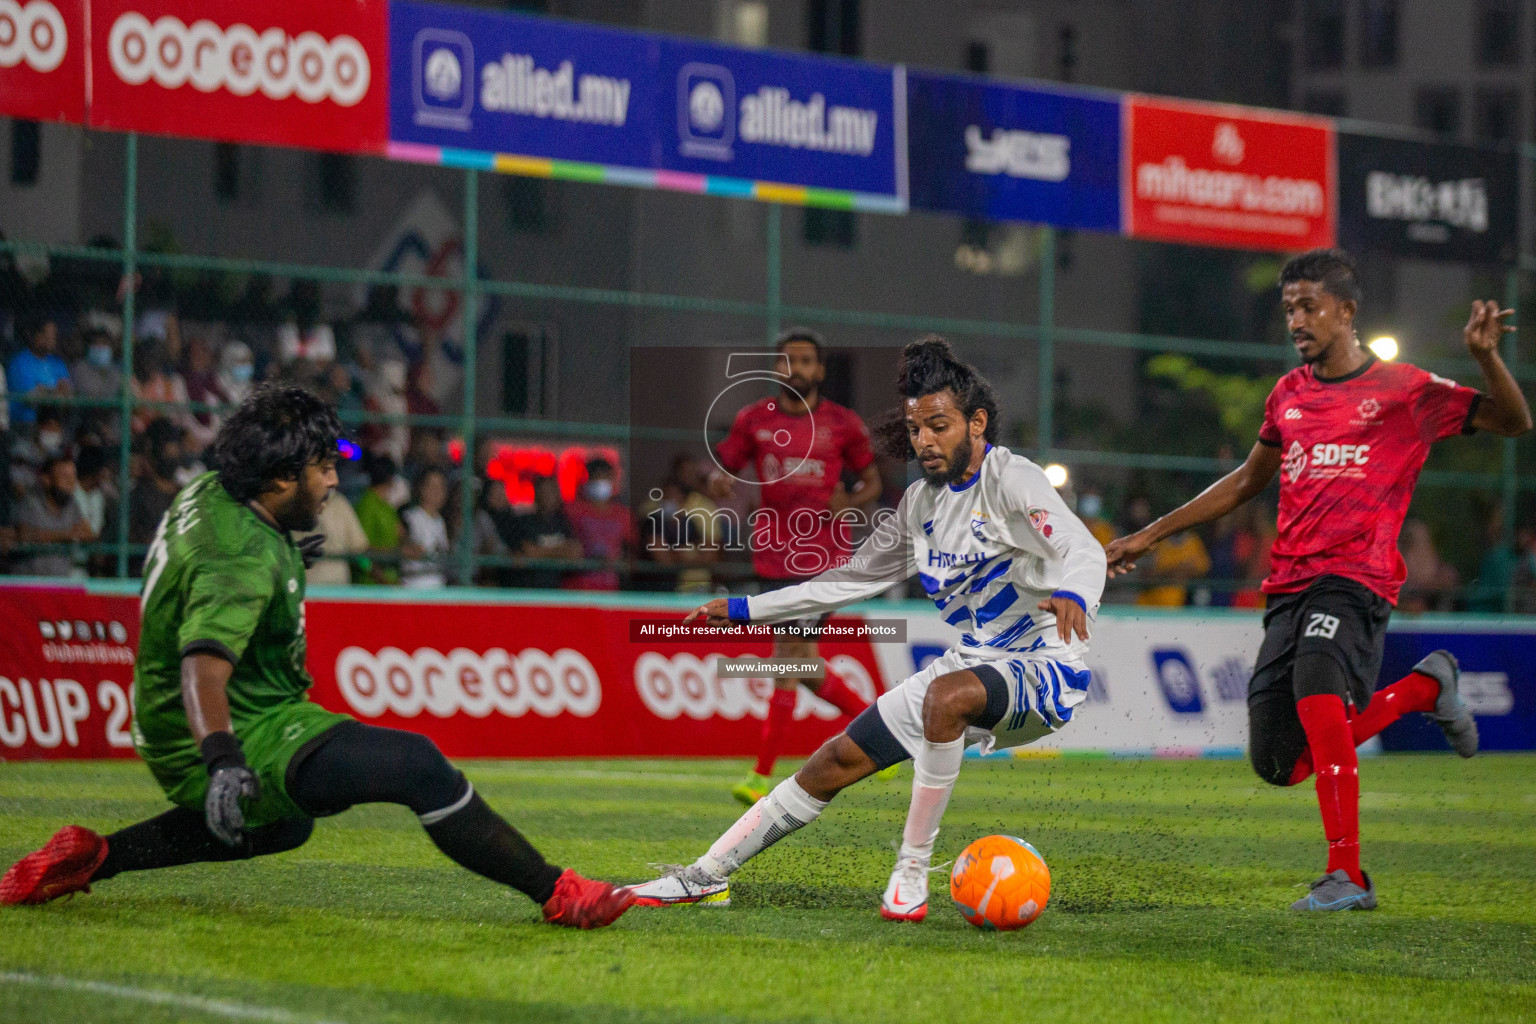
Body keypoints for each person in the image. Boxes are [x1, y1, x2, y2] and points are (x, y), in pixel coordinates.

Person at [0, 384, 633, 928]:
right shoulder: (242, 558)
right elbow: (203, 668)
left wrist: (279, 551)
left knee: (284, 823)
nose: (334, 480)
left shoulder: (216, 493)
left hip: (206, 710)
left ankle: (92, 855)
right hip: (231, 725)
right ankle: (558, 893)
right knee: (417, 765)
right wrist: (222, 760)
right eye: (322, 468)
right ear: (279, 478)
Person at [1105, 249, 1532, 912]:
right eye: (1288, 310)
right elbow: (1248, 482)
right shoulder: (1288, 395)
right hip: (1288, 586)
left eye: (1308, 306)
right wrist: (1153, 532)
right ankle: (1424, 688)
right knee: (1279, 763)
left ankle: (1347, 876)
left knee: (1318, 679)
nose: (1296, 320)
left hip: (1356, 578)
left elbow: (1514, 421)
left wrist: (1485, 358)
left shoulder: (1405, 391)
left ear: (1347, 310)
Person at [628, 336, 1105, 920]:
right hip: (976, 662)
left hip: (1044, 667)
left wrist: (1074, 590)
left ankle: (911, 871)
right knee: (831, 761)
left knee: (943, 697)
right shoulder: (919, 505)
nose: (924, 442)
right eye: (915, 429)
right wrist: (749, 609)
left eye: (939, 427)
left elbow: (1082, 546)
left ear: (977, 423)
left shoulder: (1012, 479)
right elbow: (847, 581)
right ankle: (704, 875)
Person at [707, 328, 884, 806]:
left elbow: (871, 480)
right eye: (787, 361)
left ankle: (761, 775)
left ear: (820, 370)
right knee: (803, 664)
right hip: (772, 556)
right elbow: (723, 466)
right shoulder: (753, 420)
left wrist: (853, 501)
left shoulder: (842, 423)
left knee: (787, 657)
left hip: (823, 559)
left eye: (805, 361)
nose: (796, 369)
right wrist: (718, 482)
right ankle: (882, 731)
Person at [14, 454, 95, 577]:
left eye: (73, 476)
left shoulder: (71, 504)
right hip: (29, 583)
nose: (70, 482)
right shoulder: (31, 502)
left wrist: (51, 536)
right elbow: (23, 535)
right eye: (64, 476)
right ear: (47, 479)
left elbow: (88, 533)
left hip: (59, 583)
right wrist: (66, 535)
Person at [565, 457, 635, 591]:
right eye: (596, 477)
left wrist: (622, 560)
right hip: (577, 588)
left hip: (610, 588)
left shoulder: (623, 514)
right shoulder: (572, 510)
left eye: (605, 478)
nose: (600, 482)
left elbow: (631, 550)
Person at [505, 474, 583, 589]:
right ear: (536, 493)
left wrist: (540, 552)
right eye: (543, 491)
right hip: (528, 591)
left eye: (551, 491)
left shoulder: (562, 522)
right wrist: (560, 552)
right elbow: (528, 551)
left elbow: (575, 552)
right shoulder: (523, 521)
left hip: (555, 592)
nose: (547, 496)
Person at [294, 487, 370, 587]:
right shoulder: (292, 504)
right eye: (324, 471)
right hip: (305, 590)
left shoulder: (339, 502)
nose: (334, 479)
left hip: (338, 590)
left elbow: (359, 546)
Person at [7, 312, 71, 427]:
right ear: (32, 335)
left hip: (53, 425)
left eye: (53, 337)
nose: (50, 340)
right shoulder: (20, 362)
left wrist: (46, 390)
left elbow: (66, 393)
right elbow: (31, 398)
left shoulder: (57, 362)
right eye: (46, 336)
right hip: (25, 425)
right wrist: (54, 392)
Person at [353, 454, 404, 585]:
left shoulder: (387, 507)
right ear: (391, 479)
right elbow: (362, 554)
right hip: (370, 589)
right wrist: (383, 580)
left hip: (389, 587)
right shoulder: (366, 505)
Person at [399, 467, 451, 589]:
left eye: (440, 487)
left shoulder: (440, 521)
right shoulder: (410, 517)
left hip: (438, 587)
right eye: (432, 486)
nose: (437, 492)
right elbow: (402, 543)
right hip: (414, 587)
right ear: (422, 488)